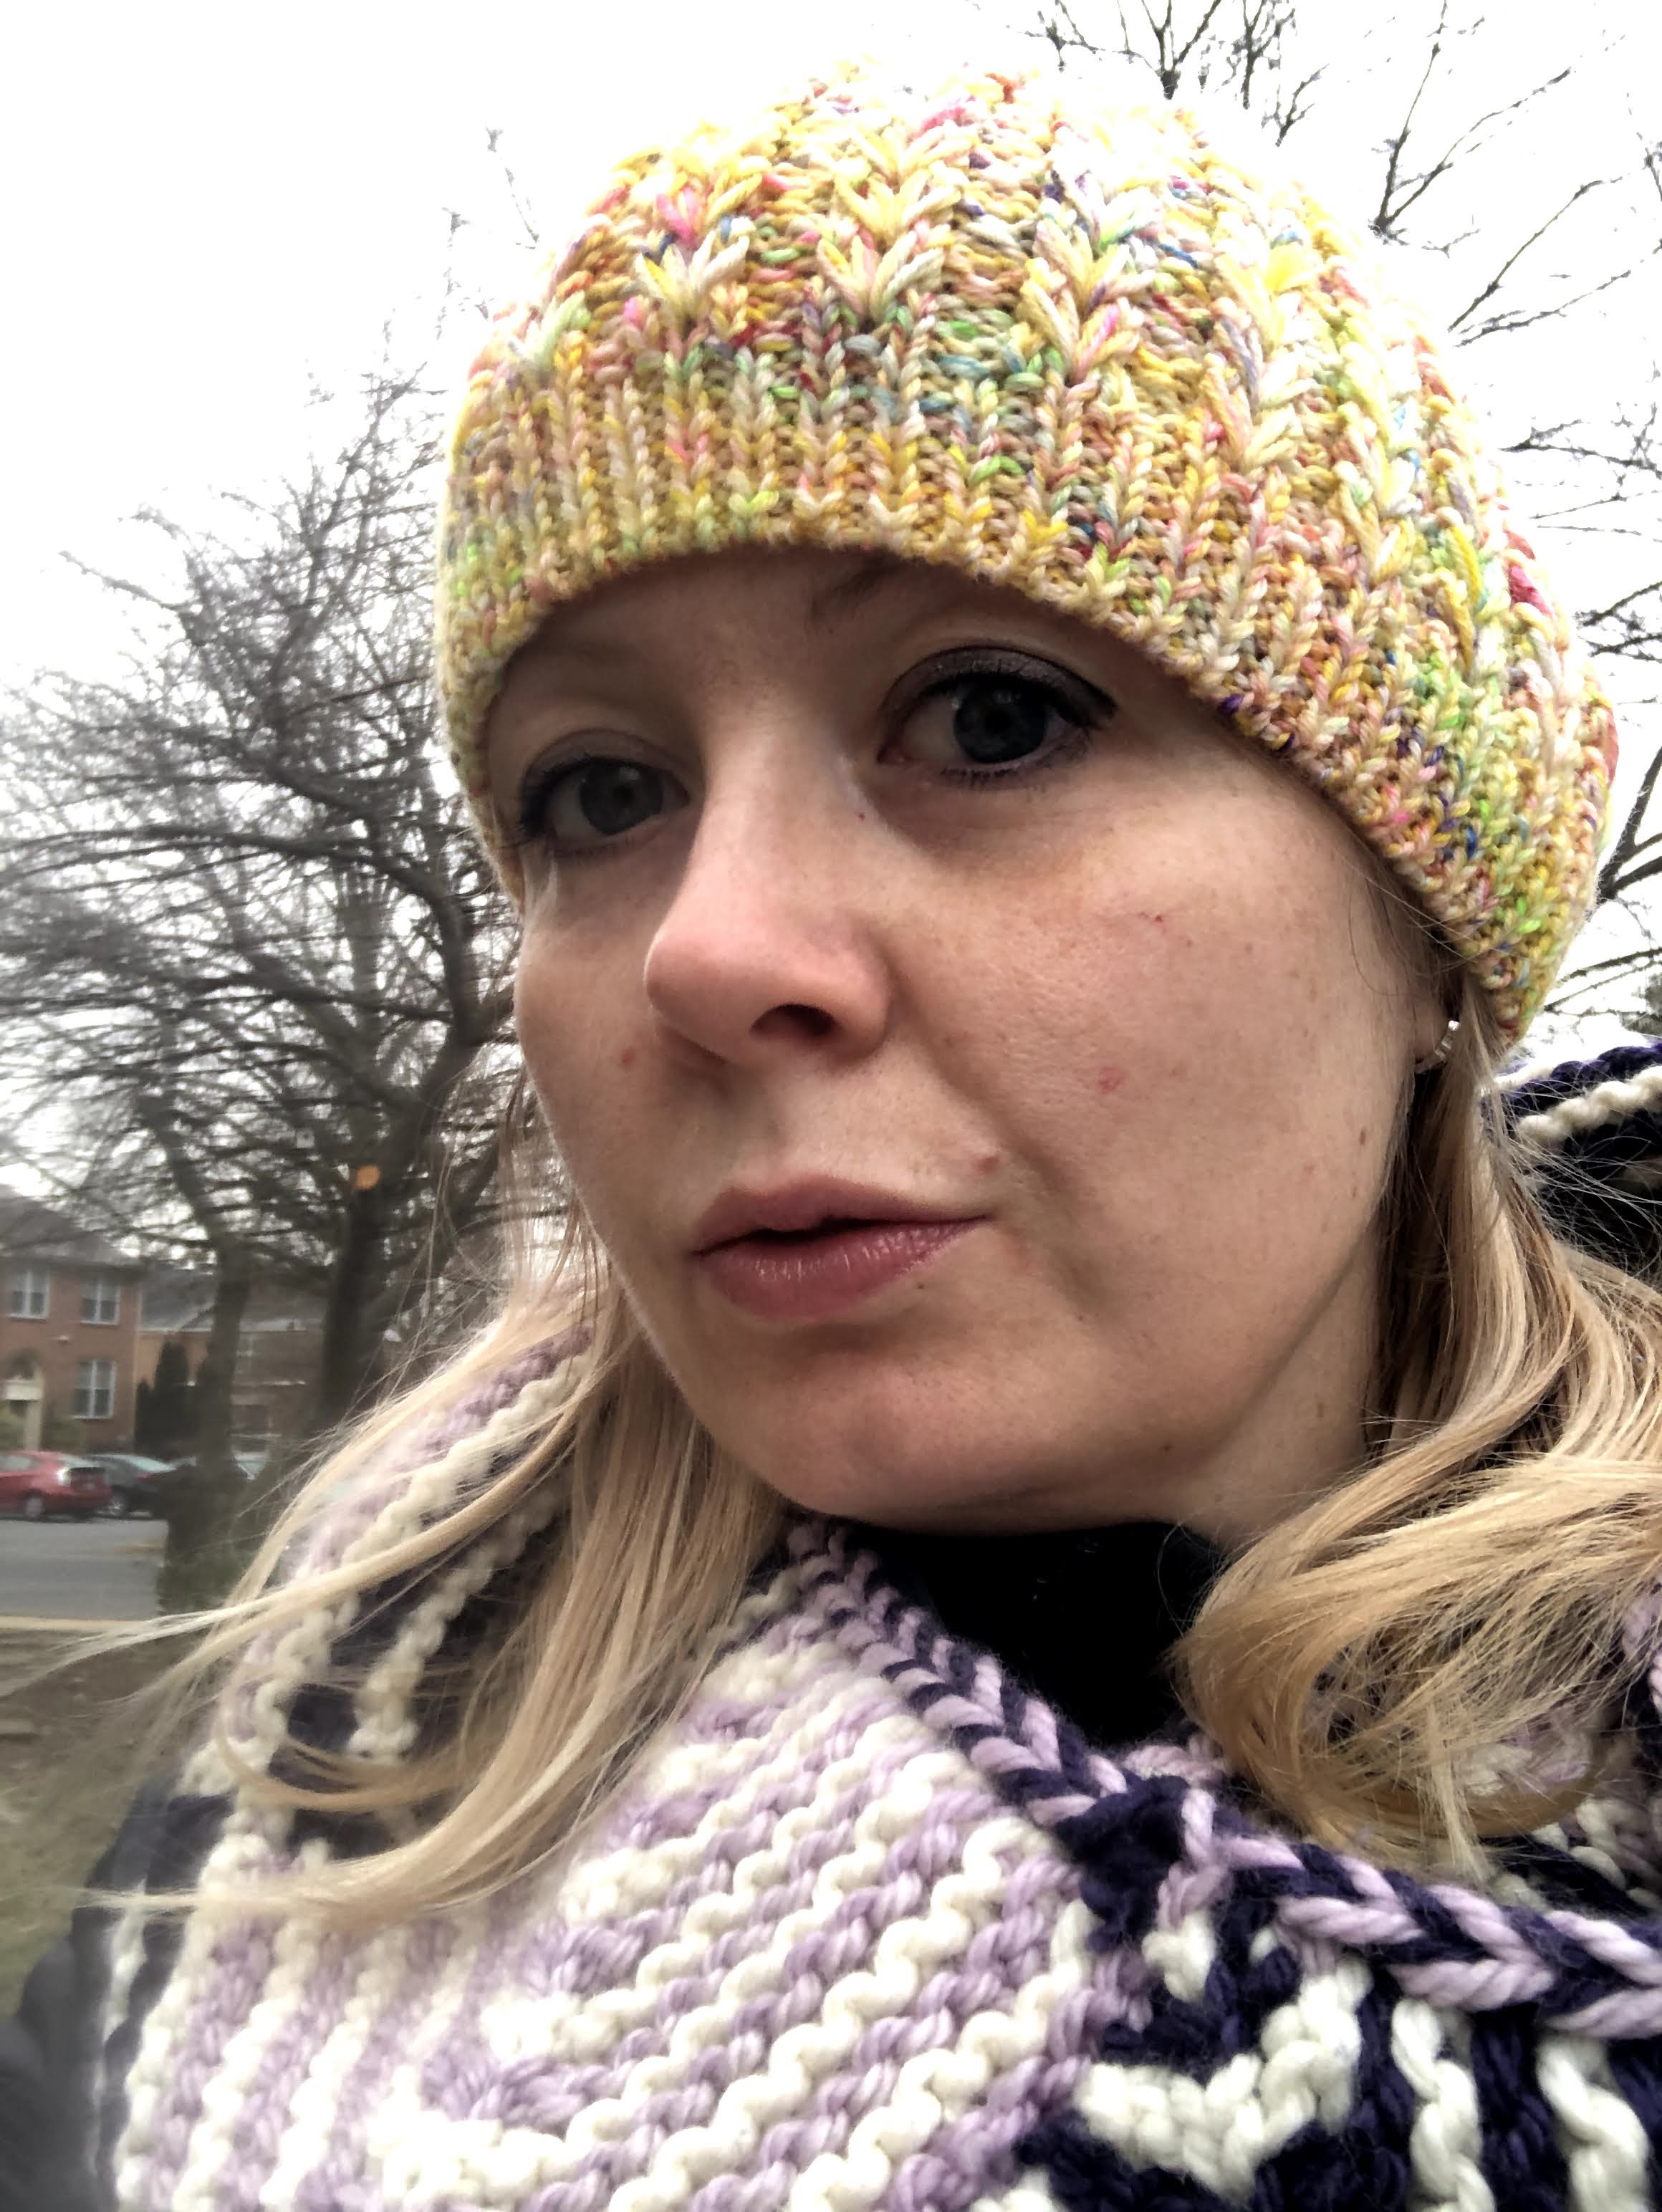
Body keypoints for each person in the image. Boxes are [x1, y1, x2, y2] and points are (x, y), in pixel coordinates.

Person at [10, 64, 1662, 2212]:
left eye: (995, 715)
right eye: (603, 793)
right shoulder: (329, 1743)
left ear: (1427, 921)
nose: (706, 950)